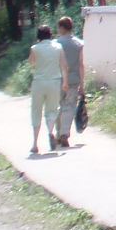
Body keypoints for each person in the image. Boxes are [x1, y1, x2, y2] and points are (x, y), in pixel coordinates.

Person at [27, 25, 68, 155]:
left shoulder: (35, 48)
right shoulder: (58, 47)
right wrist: (65, 82)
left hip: (39, 82)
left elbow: (31, 63)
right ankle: (50, 132)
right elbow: (64, 66)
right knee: (52, 110)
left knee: (36, 111)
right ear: (50, 34)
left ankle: (35, 143)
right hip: (54, 82)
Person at [54, 16, 84, 148]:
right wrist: (82, 84)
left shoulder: (55, 44)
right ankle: (64, 133)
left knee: (58, 107)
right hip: (73, 80)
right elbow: (81, 65)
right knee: (70, 106)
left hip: (58, 79)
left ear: (61, 28)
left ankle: (58, 133)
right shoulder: (79, 44)